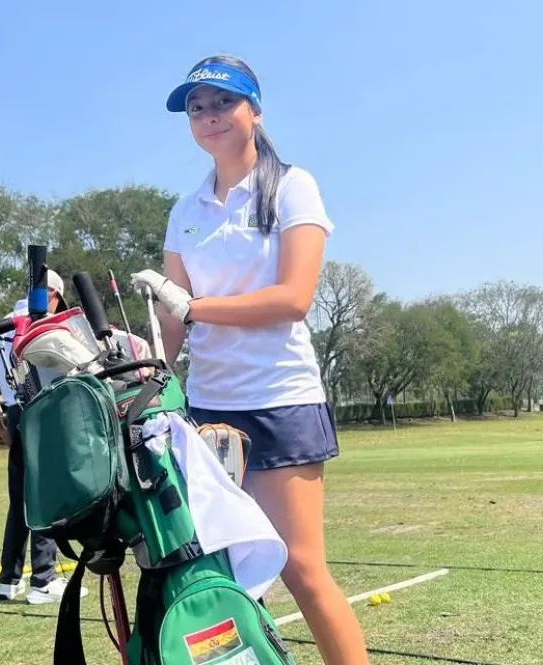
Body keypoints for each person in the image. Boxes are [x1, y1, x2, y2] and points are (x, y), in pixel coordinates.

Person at [131, 55, 370, 665]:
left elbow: (293, 298)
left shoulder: (292, 185)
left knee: (301, 568)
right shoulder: (185, 211)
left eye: (222, 103)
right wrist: (146, 367)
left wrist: (194, 309)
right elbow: (173, 320)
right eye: (196, 107)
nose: (208, 116)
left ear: (254, 111)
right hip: (210, 407)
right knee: (225, 570)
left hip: (281, 399)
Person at [0, 269, 88, 604]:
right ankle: (43, 580)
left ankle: (8, 581)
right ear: (51, 294)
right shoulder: (46, 323)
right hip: (45, 411)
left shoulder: (2, 328)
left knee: (19, 502)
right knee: (46, 496)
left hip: (15, 414)